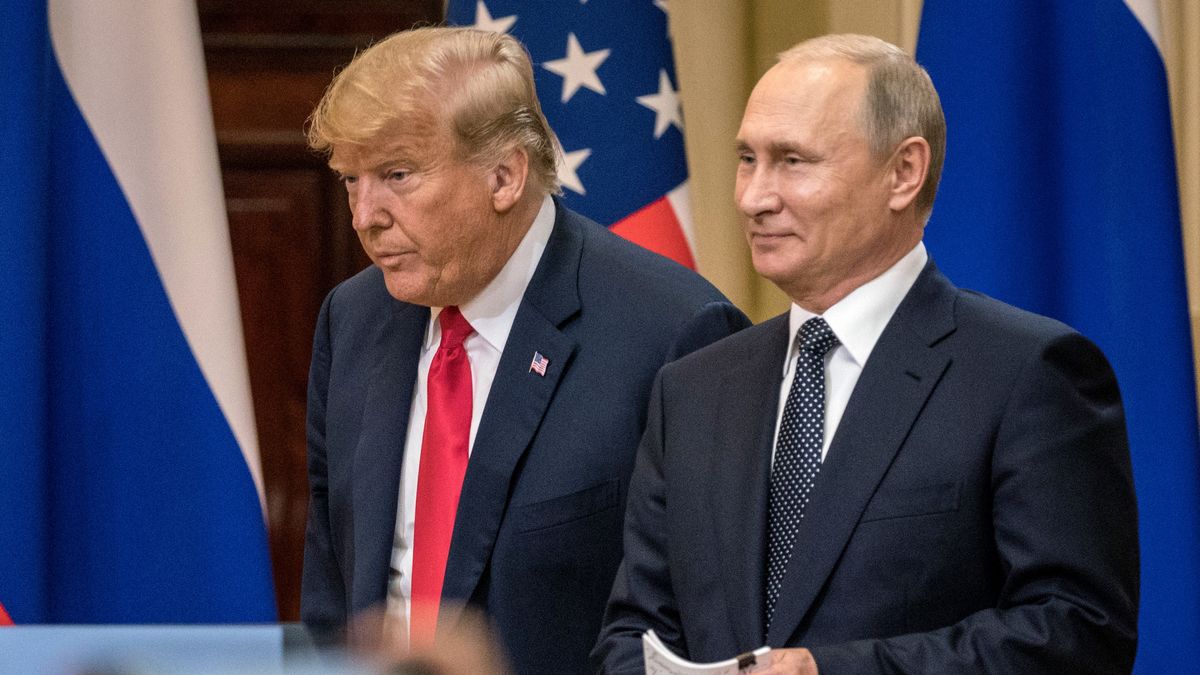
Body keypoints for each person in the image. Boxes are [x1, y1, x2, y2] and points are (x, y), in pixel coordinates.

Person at [593, 34, 1138, 674]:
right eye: (747, 158)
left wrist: (834, 671)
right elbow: (632, 636)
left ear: (903, 172)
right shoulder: (693, 387)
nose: (753, 197)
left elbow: (1075, 633)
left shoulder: (1028, 374)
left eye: (792, 160)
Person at [298, 26, 750, 675]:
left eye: (397, 174)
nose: (365, 214)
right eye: (350, 180)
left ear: (505, 175)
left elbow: (697, 626)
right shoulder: (355, 317)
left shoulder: (676, 334)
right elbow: (331, 594)